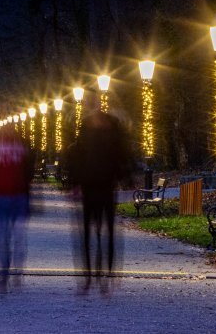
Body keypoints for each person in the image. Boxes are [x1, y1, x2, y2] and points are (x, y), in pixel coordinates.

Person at [65, 94, 134, 293]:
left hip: (106, 184)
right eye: (90, 102)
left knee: (108, 231)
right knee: (87, 232)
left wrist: (126, 177)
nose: (93, 106)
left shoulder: (113, 124)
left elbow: (122, 152)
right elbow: (77, 154)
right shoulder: (85, 126)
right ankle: (87, 275)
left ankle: (107, 274)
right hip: (89, 184)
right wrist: (75, 183)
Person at [0, 125, 34, 293]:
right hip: (1, 196)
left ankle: (14, 271)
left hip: (14, 195)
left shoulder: (19, 142)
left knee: (14, 237)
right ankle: (4, 276)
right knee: (3, 238)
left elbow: (28, 170)